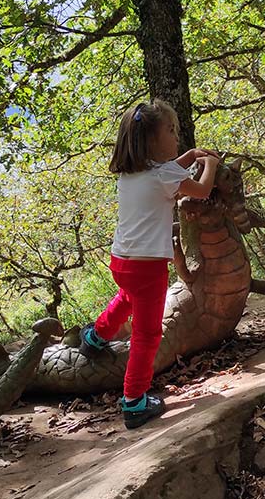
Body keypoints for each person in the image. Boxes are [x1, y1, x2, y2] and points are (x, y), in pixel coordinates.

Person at [79, 100, 219, 429]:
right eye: (170, 131)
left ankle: (96, 338)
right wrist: (209, 163)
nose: (177, 136)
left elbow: (169, 173)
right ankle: (134, 401)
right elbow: (200, 189)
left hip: (122, 262)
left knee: (128, 297)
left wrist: (188, 157)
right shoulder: (163, 175)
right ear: (152, 142)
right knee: (147, 334)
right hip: (148, 268)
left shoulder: (132, 175)